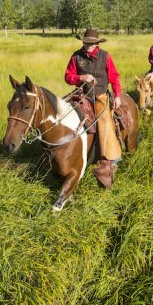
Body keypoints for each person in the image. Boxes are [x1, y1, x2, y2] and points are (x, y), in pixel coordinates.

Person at [64, 28, 122, 188]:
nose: (87, 45)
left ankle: (108, 161)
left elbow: (114, 77)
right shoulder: (76, 56)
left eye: (91, 43)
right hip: (81, 93)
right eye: (85, 42)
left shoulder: (105, 56)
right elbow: (68, 76)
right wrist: (80, 77)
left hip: (100, 95)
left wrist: (117, 95)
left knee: (104, 121)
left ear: (97, 43)